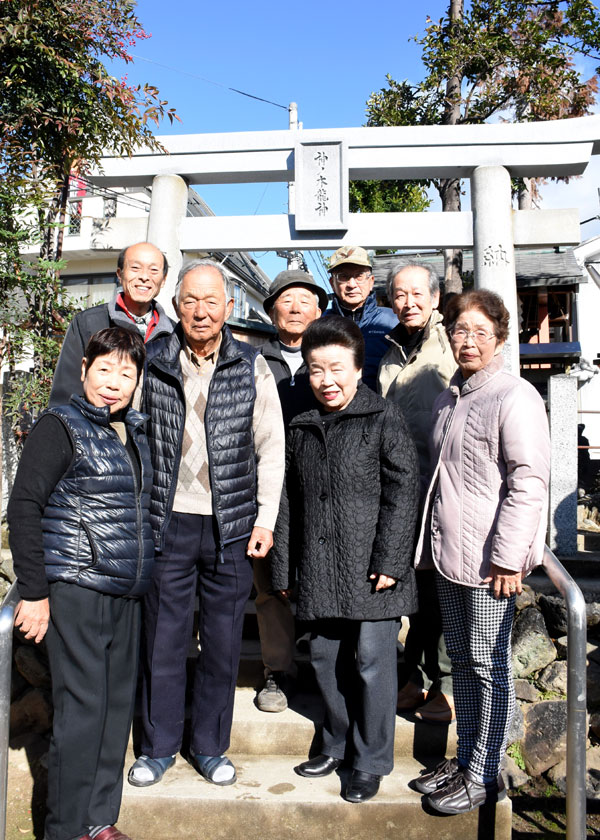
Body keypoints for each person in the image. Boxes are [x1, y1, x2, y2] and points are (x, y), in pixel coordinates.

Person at [128, 258, 285, 788]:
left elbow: (271, 447)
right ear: (176, 306)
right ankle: (157, 747)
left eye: (211, 300)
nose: (200, 311)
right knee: (163, 639)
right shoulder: (151, 360)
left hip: (232, 525)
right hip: (166, 521)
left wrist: (265, 518)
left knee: (220, 642)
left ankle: (210, 747)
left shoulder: (251, 364)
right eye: (190, 300)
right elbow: (132, 435)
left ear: (228, 306)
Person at [8, 327, 154, 840]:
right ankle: (64, 829)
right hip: (77, 587)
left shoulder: (132, 430)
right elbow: (24, 506)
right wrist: (34, 590)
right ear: (84, 370)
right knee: (82, 715)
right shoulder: (60, 425)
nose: (114, 383)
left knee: (115, 714)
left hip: (125, 591)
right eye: (106, 370)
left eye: (127, 374)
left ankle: (98, 821)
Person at [411, 290, 550, 814]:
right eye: (459, 330)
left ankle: (487, 772)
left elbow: (529, 480)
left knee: (490, 667)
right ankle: (469, 757)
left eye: (479, 332)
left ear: (499, 338)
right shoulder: (452, 395)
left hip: (493, 564)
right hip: (452, 557)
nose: (467, 340)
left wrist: (510, 557)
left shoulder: (514, 397)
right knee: (465, 665)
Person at [272, 316, 419, 804]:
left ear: (358, 368)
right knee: (323, 657)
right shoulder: (301, 425)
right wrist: (284, 567)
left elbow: (404, 492)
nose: (326, 380)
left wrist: (392, 560)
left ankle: (370, 759)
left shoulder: (383, 416)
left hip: (374, 568)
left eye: (336, 367)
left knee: (373, 663)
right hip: (317, 563)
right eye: (316, 370)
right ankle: (335, 743)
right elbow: (289, 501)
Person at [378, 261, 457, 724]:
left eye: (416, 293)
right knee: (415, 587)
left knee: (440, 586)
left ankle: (443, 685)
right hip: (401, 486)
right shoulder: (391, 349)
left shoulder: (449, 340)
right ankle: (416, 677)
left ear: (434, 298)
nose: (408, 302)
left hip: (443, 484)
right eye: (399, 294)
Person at [255, 269, 329, 713]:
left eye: (306, 300)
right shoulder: (253, 361)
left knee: (324, 578)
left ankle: (326, 670)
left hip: (324, 487)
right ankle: (276, 672)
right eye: (287, 300)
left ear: (319, 311)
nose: (297, 307)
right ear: (270, 310)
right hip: (267, 488)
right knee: (271, 585)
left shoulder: (335, 355)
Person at [49, 241, 174, 407]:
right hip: (97, 428)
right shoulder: (88, 322)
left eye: (154, 270)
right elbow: (66, 390)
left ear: (163, 280)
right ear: (119, 274)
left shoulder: (173, 333)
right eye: (135, 268)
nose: (145, 277)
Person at [322, 246, 396, 390]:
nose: (352, 284)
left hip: (384, 408)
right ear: (332, 283)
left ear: (371, 281)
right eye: (343, 277)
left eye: (359, 276)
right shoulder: (320, 324)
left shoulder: (394, 321)